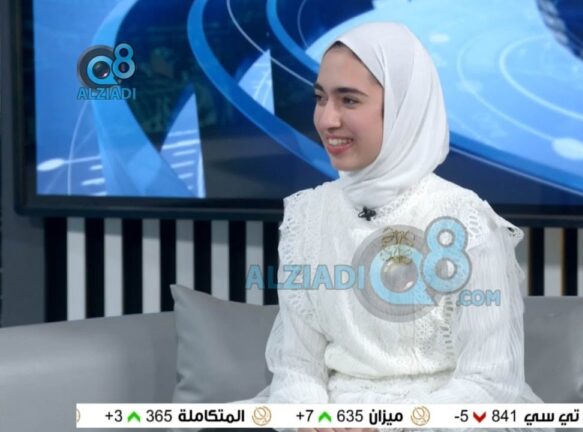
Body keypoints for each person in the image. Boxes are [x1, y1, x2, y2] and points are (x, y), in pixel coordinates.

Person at [232, 22, 551, 432]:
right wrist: (311, 419)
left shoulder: (466, 220)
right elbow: (297, 366)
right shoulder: (306, 215)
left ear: (403, 107)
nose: (327, 119)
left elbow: (488, 383)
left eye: (349, 100)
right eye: (320, 98)